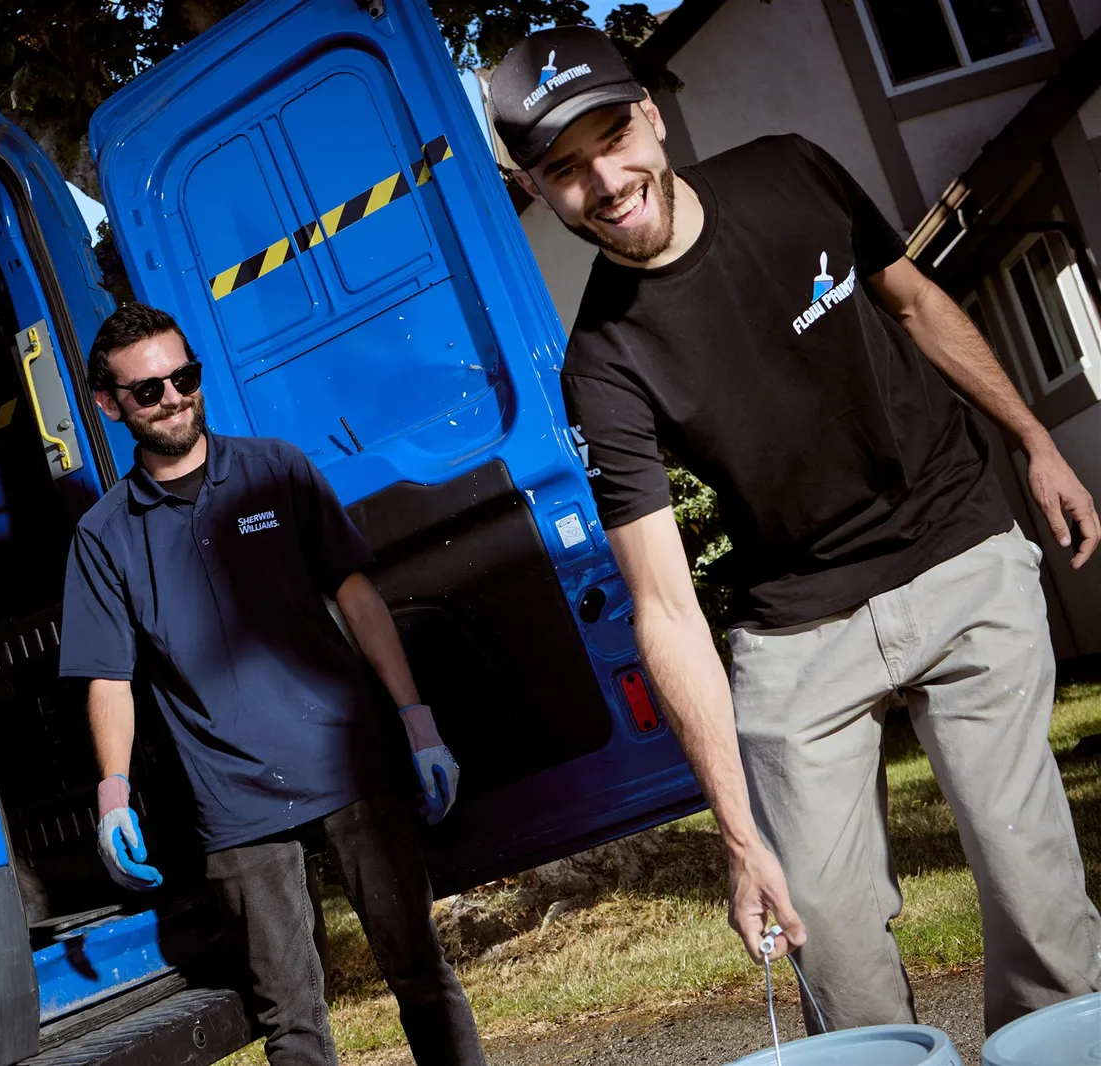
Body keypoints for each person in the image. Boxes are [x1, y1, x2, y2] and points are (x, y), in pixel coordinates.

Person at [491, 24, 1101, 1035]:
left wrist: (1033, 435)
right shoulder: (601, 366)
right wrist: (738, 837)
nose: (602, 181)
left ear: (650, 116)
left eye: (610, 137)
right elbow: (664, 605)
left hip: (953, 549)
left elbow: (913, 302)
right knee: (828, 946)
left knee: (1033, 892)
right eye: (564, 168)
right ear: (542, 191)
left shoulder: (790, 176)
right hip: (796, 627)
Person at [57, 302, 486, 1066]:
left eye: (182, 377)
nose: (173, 399)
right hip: (233, 800)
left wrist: (416, 721)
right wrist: (113, 793)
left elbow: (357, 599)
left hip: (348, 762)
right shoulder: (104, 534)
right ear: (109, 405)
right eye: (148, 390)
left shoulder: (275, 469)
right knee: (290, 1019)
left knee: (420, 973)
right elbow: (109, 677)